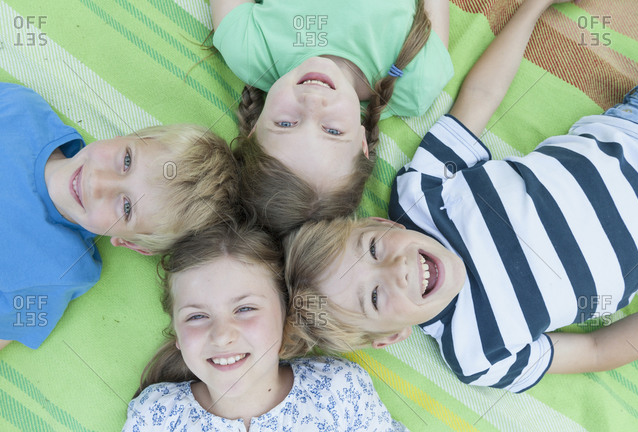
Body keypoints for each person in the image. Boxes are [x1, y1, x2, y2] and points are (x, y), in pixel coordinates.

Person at [283, 0, 638, 393]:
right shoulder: (480, 356)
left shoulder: (420, 199)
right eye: (374, 297)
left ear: (380, 223)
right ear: (389, 337)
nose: (397, 268)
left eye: (373, 248)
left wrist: (532, 9)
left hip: (636, 136)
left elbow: (481, 96)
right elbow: (595, 349)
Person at [0, 83, 240, 351]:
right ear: (130, 135)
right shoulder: (20, 111)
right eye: (126, 161)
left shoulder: (64, 272)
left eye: (126, 207)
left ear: (130, 243)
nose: (97, 182)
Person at [123, 222, 408, 431]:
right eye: (196, 316)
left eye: (245, 309)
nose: (222, 336)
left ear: (285, 316)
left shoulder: (338, 390)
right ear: (178, 335)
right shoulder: (156, 416)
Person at [210, 0, 453, 237]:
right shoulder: (417, 82)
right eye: (332, 131)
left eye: (285, 123)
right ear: (362, 145)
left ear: (254, 129)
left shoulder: (248, 50)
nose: (313, 101)